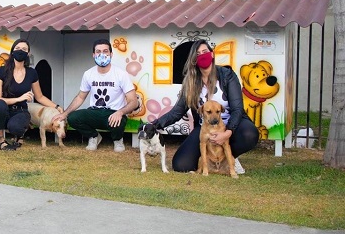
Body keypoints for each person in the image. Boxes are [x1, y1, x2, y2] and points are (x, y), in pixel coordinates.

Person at [150, 39, 259, 173]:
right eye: (198, 54)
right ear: (194, 60)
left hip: (230, 124)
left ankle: (229, 158)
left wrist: (226, 133)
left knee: (250, 134)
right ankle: (208, 161)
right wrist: (154, 125)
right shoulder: (191, 82)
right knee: (181, 165)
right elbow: (177, 112)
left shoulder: (227, 75)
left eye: (205, 51)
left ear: (212, 54)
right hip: (205, 128)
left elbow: (237, 109)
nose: (202, 55)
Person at [52, 39, 138, 152]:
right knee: (73, 118)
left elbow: (133, 101)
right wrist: (64, 114)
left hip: (113, 112)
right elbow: (80, 97)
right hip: (95, 112)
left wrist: (120, 112)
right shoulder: (88, 74)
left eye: (105, 51)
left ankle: (118, 140)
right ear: (93, 55)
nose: (102, 54)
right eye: (98, 51)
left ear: (111, 54)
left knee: (118, 121)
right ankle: (93, 137)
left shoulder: (121, 74)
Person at [0, 39, 62, 151]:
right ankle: (1, 141)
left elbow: (40, 97)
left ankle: (19, 136)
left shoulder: (31, 73)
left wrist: (57, 107)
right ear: (12, 52)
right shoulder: (1, 71)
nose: (21, 51)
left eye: (24, 49)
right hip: (3, 111)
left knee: (15, 127)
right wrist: (19, 98)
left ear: (28, 53)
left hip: (20, 111)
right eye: (18, 49)